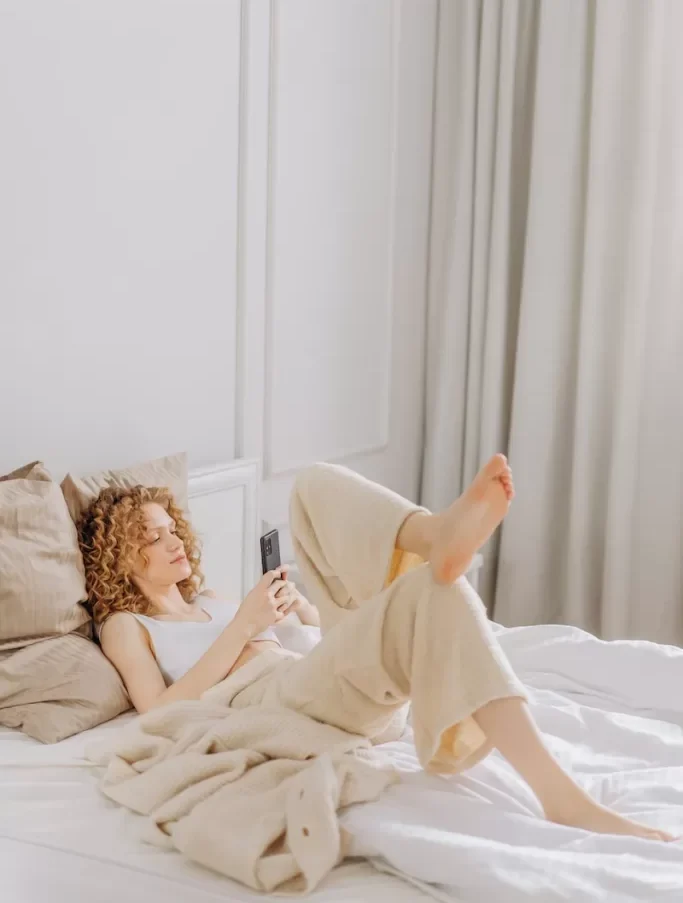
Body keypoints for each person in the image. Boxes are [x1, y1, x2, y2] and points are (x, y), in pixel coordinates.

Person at [77, 455, 675, 843]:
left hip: (312, 666)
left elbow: (300, 632)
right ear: (120, 561)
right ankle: (561, 798)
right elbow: (157, 713)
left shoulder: (214, 594)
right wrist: (243, 628)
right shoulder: (128, 625)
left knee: (312, 487)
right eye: (150, 538)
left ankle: (432, 533)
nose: (172, 540)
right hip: (276, 699)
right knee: (434, 590)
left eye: (171, 527)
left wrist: (296, 609)